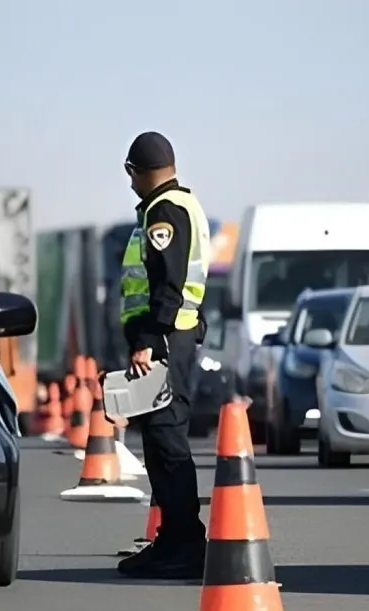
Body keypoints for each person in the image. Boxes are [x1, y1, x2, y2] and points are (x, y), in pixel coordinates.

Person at [116, 131, 212, 579]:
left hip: (166, 341)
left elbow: (168, 285)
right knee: (159, 441)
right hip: (177, 338)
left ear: (137, 171)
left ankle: (184, 542)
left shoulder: (165, 211)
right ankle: (174, 538)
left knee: (167, 441)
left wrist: (149, 340)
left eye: (130, 174)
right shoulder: (183, 205)